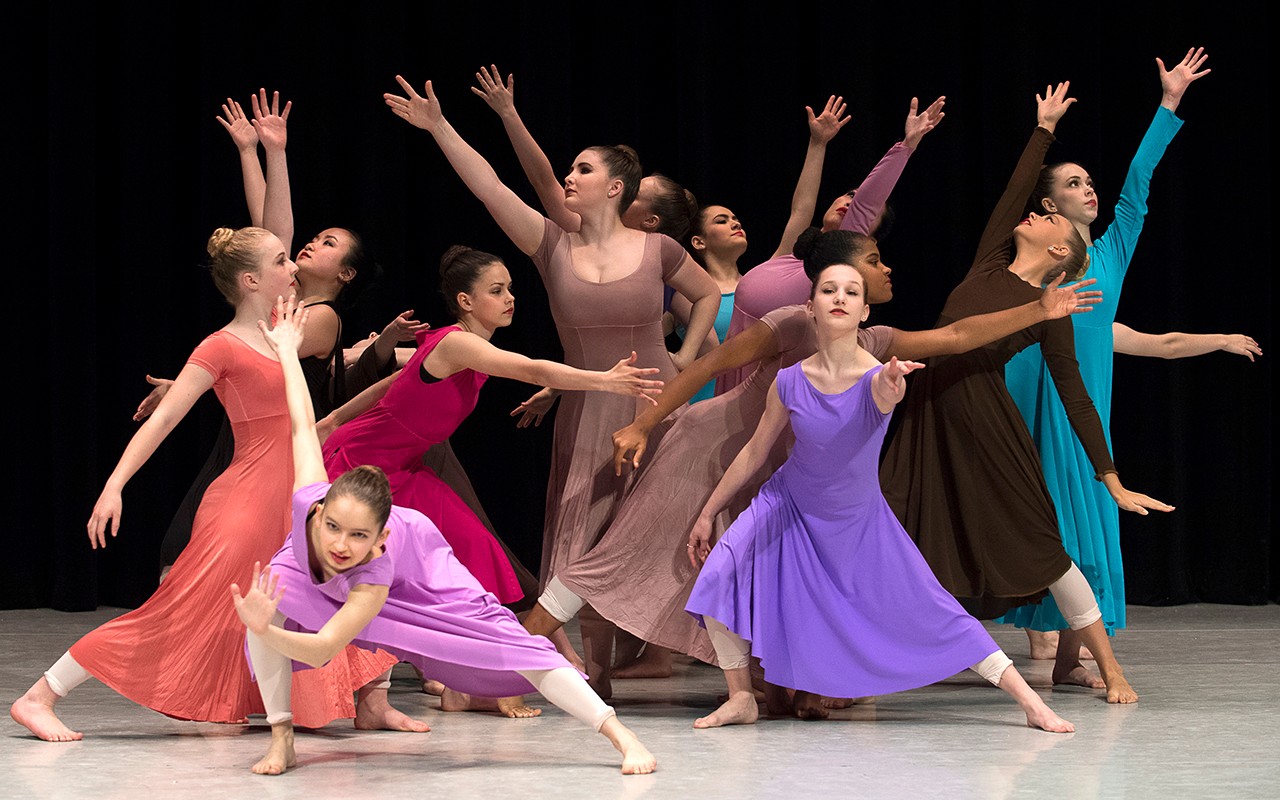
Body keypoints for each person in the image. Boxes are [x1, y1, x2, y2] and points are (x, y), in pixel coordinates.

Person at [521, 227, 1103, 698]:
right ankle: (516, 656)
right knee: (623, 558)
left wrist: (1038, 310)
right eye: (872, 261)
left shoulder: (875, 342)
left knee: (732, 577)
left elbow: (956, 336)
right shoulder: (792, 323)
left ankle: (768, 688)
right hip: (708, 451)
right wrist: (644, 423)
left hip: (768, 475)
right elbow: (705, 368)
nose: (883, 270)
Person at [384, 75, 721, 691]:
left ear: (614, 188)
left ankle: (729, 664)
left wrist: (683, 357)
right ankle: (597, 670)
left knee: (663, 528)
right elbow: (490, 186)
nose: (569, 175)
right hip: (590, 410)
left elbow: (706, 295)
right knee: (586, 533)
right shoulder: (552, 245)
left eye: (583, 169)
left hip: (655, 405)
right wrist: (439, 126)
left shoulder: (658, 248)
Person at [231, 295, 657, 775]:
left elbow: (327, 646)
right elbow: (300, 426)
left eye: (357, 536)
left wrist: (264, 628)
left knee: (514, 646)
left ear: (379, 540)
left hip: (420, 575)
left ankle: (620, 734)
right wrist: (287, 351)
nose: (340, 545)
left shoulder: (376, 569)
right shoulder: (308, 496)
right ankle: (282, 739)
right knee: (267, 608)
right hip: (309, 572)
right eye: (332, 527)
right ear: (319, 509)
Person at [10, 227, 396, 743]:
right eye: (282, 261)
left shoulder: (286, 332)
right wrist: (114, 484)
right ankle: (39, 696)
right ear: (252, 280)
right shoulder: (220, 346)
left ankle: (265, 704)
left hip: (293, 500)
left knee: (297, 606)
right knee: (177, 612)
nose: (293, 267)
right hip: (244, 505)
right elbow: (164, 420)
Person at [679, 262, 1073, 732]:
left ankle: (1030, 702)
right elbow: (754, 451)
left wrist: (892, 384)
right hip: (787, 505)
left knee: (935, 611)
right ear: (810, 306)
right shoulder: (789, 380)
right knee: (718, 575)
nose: (839, 298)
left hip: (857, 522)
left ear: (865, 311)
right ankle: (742, 697)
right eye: (829, 290)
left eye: (851, 292)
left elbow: (886, 393)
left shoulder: (875, 375)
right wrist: (708, 512)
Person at [878, 82, 1174, 704]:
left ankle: (1109, 667)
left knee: (1044, 544)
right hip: (929, 412)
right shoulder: (990, 263)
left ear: (1061, 248)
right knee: (894, 532)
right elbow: (1015, 194)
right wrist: (1043, 130)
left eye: (1047, 218)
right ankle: (879, 658)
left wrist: (1111, 477)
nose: (1034, 214)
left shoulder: (1052, 308)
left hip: (989, 420)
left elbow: (1075, 394)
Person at [315, 244, 664, 714]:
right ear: (465, 301)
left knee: (479, 551)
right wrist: (604, 380)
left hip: (405, 469)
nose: (510, 298)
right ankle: (408, 685)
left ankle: (472, 682)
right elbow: (529, 368)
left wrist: (334, 417)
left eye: (510, 289)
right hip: (361, 466)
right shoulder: (458, 344)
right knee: (372, 576)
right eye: (497, 291)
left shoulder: (458, 347)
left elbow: (394, 382)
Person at [996, 49, 1211, 658]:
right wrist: (1043, 133)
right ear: (1047, 207)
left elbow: (1137, 187)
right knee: (1048, 513)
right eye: (1073, 184)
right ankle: (1041, 631)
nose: (1088, 189)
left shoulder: (1112, 251)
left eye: (1089, 182)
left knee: (1089, 512)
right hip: (1034, 388)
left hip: (1086, 401)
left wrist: (1168, 104)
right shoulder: (1039, 253)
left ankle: (1068, 656)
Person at [149, 89, 389, 575]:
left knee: (215, 556)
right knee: (184, 552)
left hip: (280, 449)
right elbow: (270, 231)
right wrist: (250, 152)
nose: (310, 245)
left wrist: (275, 152)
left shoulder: (321, 318)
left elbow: (252, 353)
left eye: (328, 244)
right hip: (244, 433)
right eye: (315, 237)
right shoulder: (286, 296)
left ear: (346, 274)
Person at [714, 94, 945, 394]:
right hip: (733, 367)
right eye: (848, 194)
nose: (851, 202)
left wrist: (907, 145)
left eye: (860, 204)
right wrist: (818, 143)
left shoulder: (832, 266)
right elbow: (802, 206)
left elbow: (868, 200)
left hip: (766, 383)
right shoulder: (796, 250)